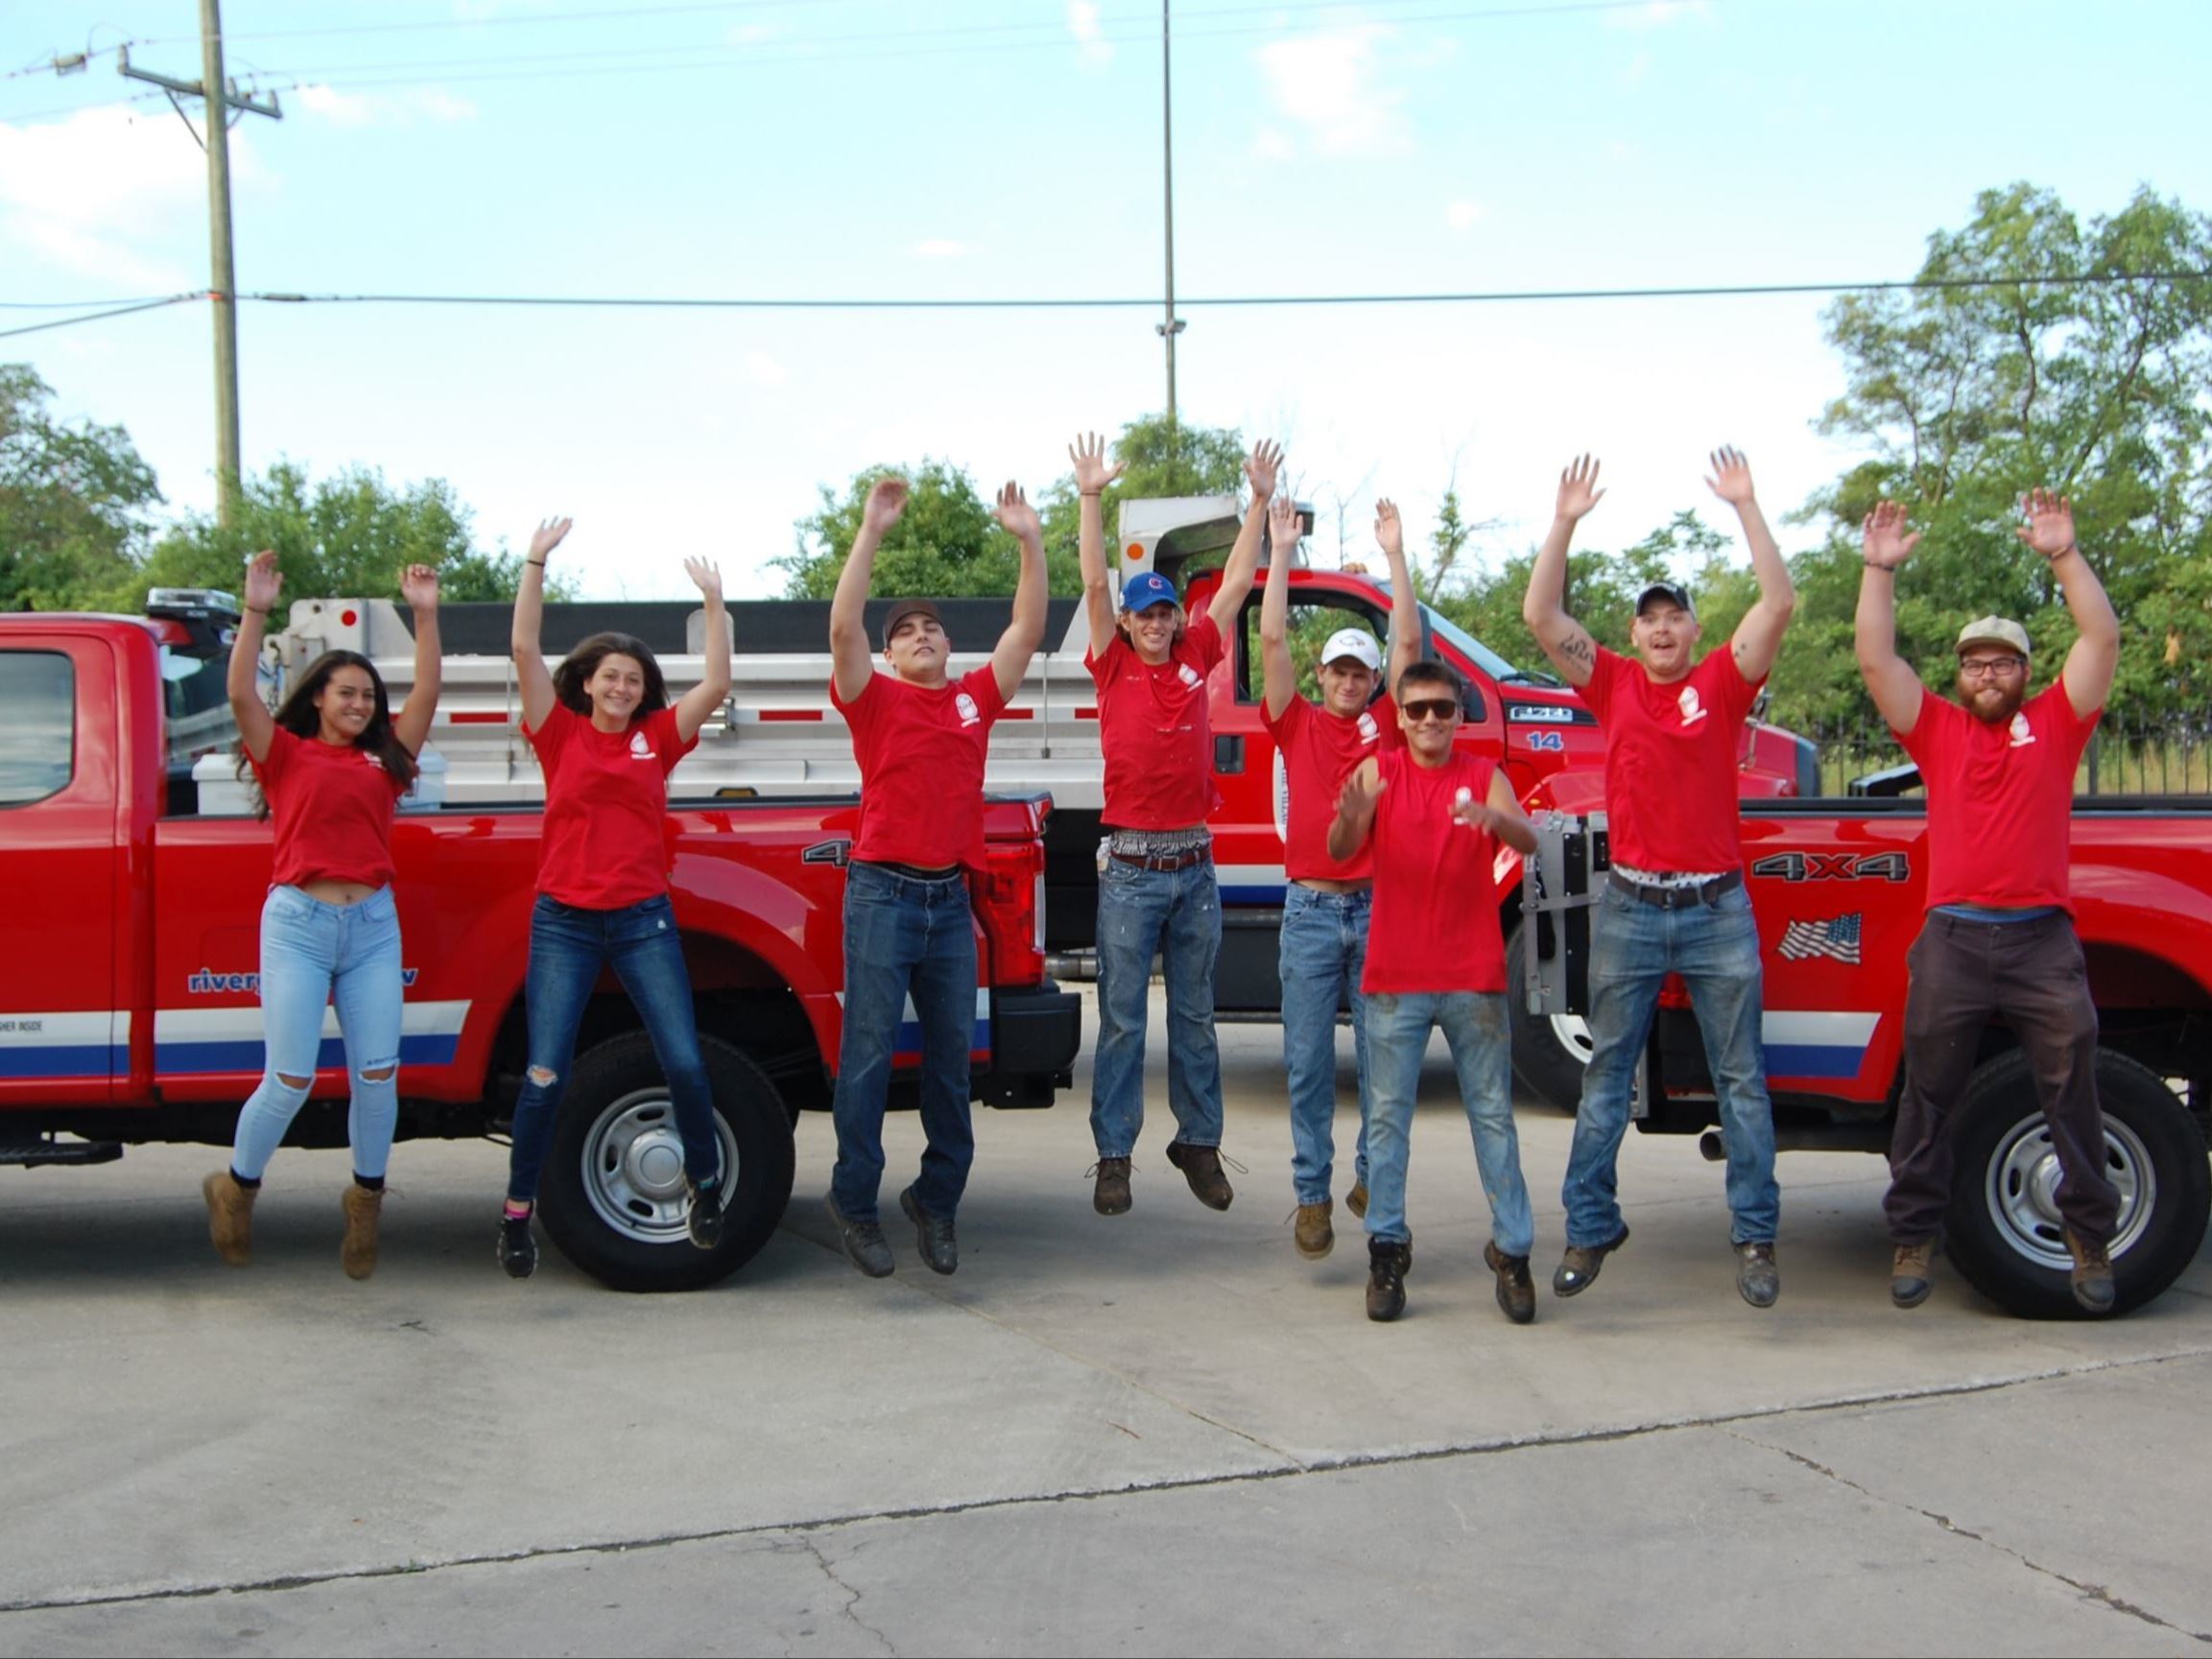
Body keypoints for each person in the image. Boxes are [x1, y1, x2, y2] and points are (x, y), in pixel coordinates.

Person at [1521, 449, 1796, 1309]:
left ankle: (1754, 1235)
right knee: (1606, 1075)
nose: (1663, 628)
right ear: (1633, 635)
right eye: (1650, 619)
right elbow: (1540, 613)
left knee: (1740, 1078)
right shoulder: (1612, 684)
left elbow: (1779, 602)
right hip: (1633, 907)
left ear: (1692, 628)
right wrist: (1564, 518)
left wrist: (1746, 506)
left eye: (1675, 615)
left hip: (1717, 908)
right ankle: (1589, 1225)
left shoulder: (1722, 683)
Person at [1856, 491, 2122, 1315]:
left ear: (2023, 672)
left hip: (2041, 938)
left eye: (2001, 661)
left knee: (2071, 1080)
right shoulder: (1936, 728)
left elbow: (2101, 637)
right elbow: (1875, 662)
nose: (1985, 673)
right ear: (1959, 675)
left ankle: (2086, 1236)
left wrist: (2062, 555)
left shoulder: (2058, 721)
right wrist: (1877, 571)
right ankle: (1912, 1234)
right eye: (1973, 662)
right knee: (1927, 1090)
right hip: (1954, 939)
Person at [820, 475, 1049, 1278]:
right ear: (888, 655)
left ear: (949, 648)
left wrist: (1027, 537)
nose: (921, 634)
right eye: (906, 630)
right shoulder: (871, 698)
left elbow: (1027, 625)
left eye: (932, 628)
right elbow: (843, 622)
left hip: (949, 903)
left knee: (954, 1066)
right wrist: (871, 530)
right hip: (882, 895)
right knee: (868, 1059)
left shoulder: (972, 702)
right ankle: (853, 1205)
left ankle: (935, 1201)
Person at [496, 518, 732, 1279]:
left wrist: (715, 603)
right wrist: (536, 562)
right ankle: (516, 1213)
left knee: (687, 1065)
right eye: (610, 676)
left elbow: (717, 684)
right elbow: (524, 649)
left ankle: (703, 1186)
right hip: (563, 922)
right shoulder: (556, 733)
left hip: (641, 922)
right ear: (588, 681)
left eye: (633, 679)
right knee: (544, 1075)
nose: (622, 687)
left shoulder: (657, 739)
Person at [202, 550, 442, 1280]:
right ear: (317, 698)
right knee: (291, 1076)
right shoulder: (286, 753)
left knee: (377, 1074)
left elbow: (427, 691)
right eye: (347, 693)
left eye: (369, 694)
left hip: (372, 925)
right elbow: (242, 691)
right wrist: (254, 610)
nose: (361, 704)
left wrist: (425, 616)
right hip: (299, 925)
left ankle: (364, 1207)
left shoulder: (387, 761)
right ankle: (237, 1189)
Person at [1076, 431, 1276, 1217]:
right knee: (1124, 1019)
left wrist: (1256, 501)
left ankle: (1197, 1140)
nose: (1157, 623)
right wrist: (1090, 497)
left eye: (1164, 611)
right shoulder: (1112, 661)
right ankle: (1114, 1156)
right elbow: (1094, 582)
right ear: (1125, 625)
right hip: (1129, 869)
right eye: (1144, 613)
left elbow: (1232, 582)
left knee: (1195, 1014)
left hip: (1193, 867)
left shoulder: (1197, 648)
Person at [1327, 656, 1542, 1324]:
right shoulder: (1378, 770)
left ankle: (1512, 1250)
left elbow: (1528, 838)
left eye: (1440, 709)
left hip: (1471, 976)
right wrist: (1352, 816)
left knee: (1492, 1119)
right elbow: (1337, 850)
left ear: (1457, 716)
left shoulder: (1483, 775)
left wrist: (1493, 819)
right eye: (1415, 708)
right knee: (1386, 1122)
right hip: (1394, 977)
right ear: (1397, 713)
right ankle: (1386, 1249)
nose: (1427, 720)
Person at [1259, 490, 1419, 1260]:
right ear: (1321, 675)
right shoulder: (1294, 721)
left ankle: (1366, 1178)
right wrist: (1281, 552)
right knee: (1307, 1063)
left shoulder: (1383, 726)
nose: (1351, 680)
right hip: (1310, 913)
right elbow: (1269, 639)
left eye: (1361, 671)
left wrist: (1394, 558)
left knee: (1387, 1059)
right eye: (1340, 669)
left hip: (1377, 909)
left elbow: (1411, 649)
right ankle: (1311, 1195)